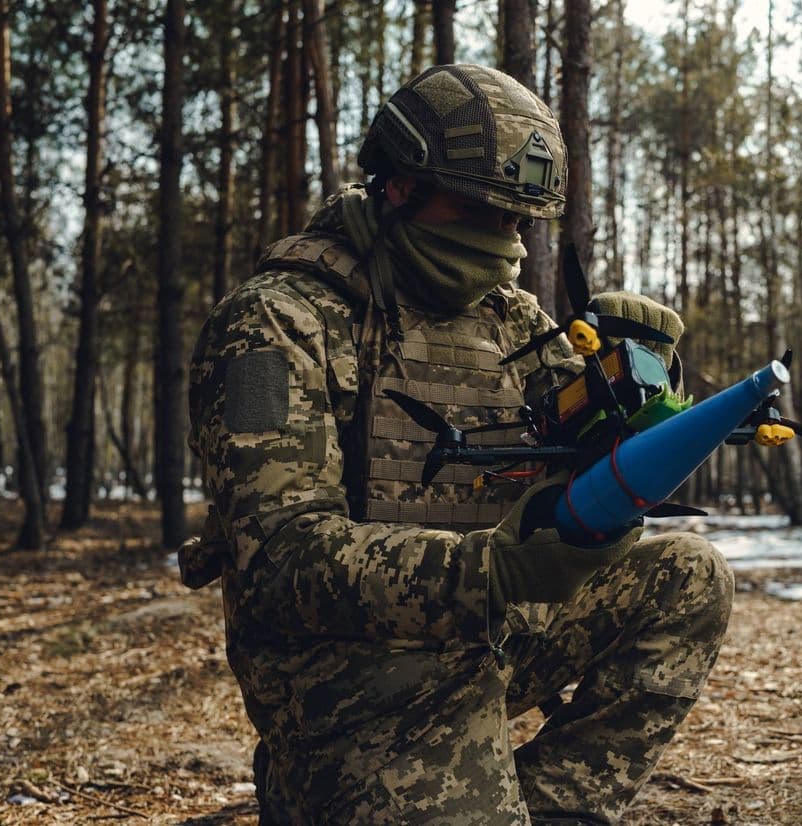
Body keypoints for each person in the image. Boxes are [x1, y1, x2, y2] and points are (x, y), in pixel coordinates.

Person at [179, 64, 734, 825]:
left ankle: (553, 809)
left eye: (518, 224)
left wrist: (639, 382)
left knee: (688, 575)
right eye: (480, 211)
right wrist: (492, 570)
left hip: (487, 639)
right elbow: (280, 563)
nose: (502, 244)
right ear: (399, 185)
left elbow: (588, 448)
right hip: (351, 683)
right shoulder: (270, 328)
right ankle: (313, 788)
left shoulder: (508, 317)